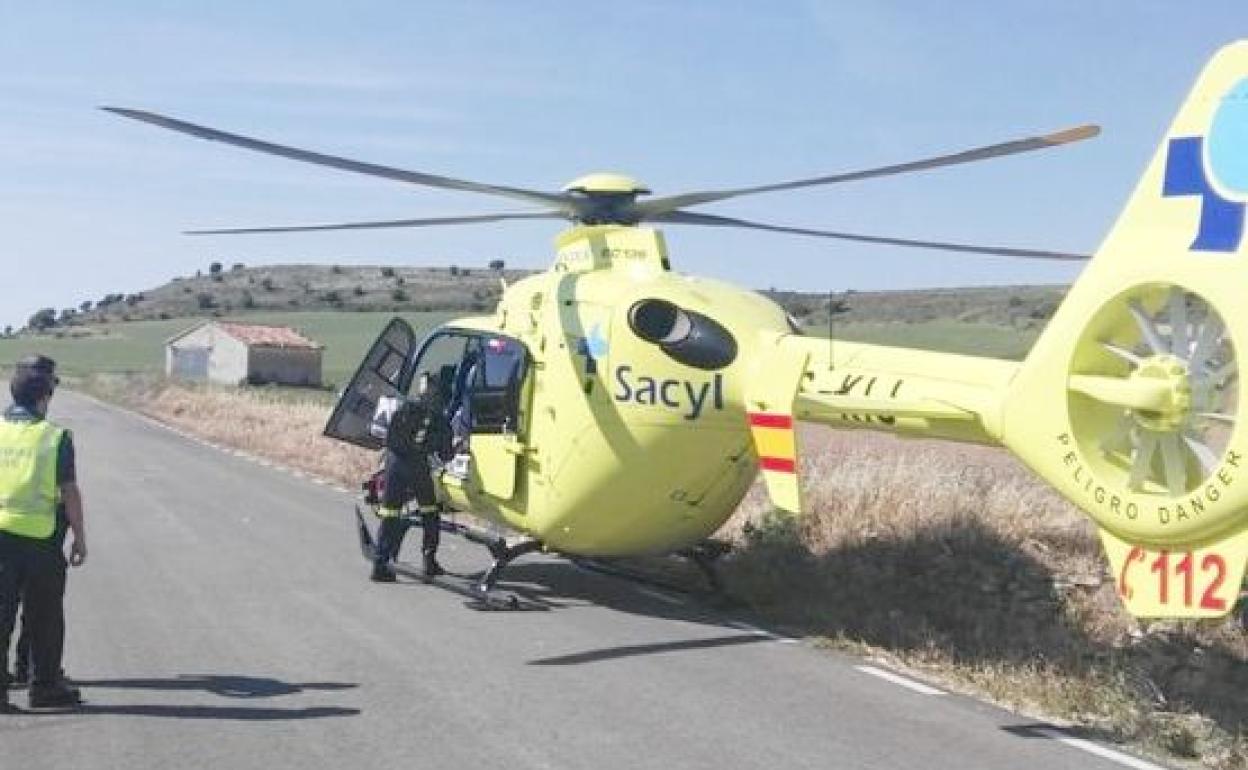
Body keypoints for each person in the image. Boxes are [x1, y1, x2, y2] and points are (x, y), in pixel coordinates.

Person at [0, 356, 86, 711]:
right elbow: (69, 492)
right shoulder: (55, 438)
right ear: (46, 396)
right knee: (44, 616)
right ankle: (44, 686)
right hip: (41, 540)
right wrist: (80, 537)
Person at [370, 371, 450, 583]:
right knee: (430, 513)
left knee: (390, 514)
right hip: (417, 466)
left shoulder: (403, 408)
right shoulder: (441, 419)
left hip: (395, 465)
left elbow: (389, 437)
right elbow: (446, 454)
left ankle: (381, 564)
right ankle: (429, 561)